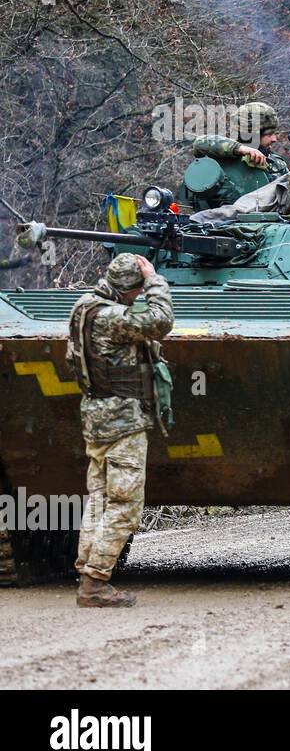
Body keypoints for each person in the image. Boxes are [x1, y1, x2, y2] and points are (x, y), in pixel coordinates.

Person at [66, 253, 173, 608]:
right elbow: (160, 320)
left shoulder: (84, 306)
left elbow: (72, 359)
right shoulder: (113, 316)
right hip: (123, 421)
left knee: (99, 498)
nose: (137, 296)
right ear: (130, 289)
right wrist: (155, 279)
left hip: (95, 418)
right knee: (125, 503)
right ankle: (95, 583)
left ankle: (88, 572)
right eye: (137, 291)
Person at [192, 101, 290, 179]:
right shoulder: (221, 154)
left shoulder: (277, 164)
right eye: (269, 134)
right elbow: (199, 143)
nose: (274, 139)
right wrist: (240, 149)